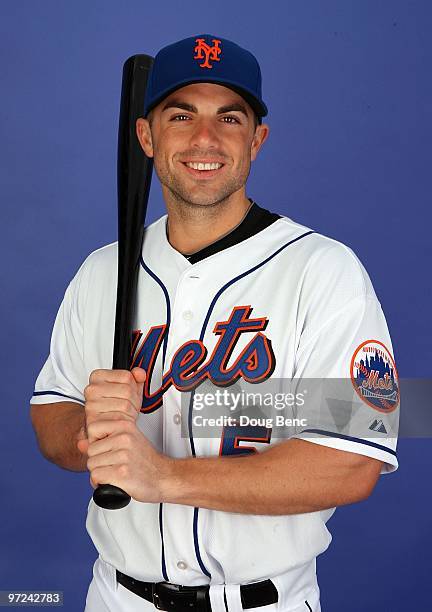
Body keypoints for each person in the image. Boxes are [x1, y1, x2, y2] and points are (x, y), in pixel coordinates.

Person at [30, 34, 400, 612]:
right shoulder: (102, 271)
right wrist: (88, 435)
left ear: (257, 139)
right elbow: (51, 411)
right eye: (181, 115)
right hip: (115, 598)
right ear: (146, 137)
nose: (205, 139)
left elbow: (352, 459)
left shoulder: (322, 270)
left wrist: (163, 477)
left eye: (229, 117)